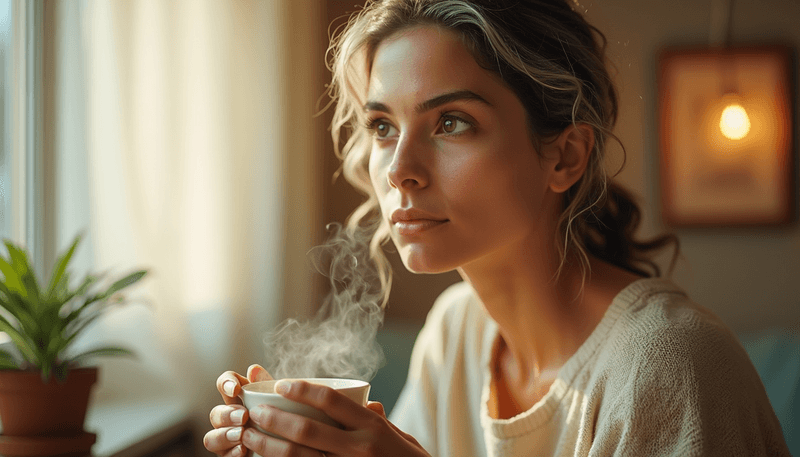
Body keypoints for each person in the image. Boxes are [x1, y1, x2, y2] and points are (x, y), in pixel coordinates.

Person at [203, 0, 790, 456]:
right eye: (382, 126)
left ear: (564, 157)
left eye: (451, 121)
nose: (401, 170)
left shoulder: (669, 365)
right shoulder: (455, 334)